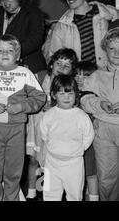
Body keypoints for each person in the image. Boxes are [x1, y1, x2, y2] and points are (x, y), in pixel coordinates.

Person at [0, 34, 47, 201]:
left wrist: (21, 107)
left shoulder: (26, 74)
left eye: (10, 50)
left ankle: (12, 198)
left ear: (18, 55)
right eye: (0, 50)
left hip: (16, 130)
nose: (4, 53)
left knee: (13, 171)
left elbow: (40, 98)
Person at [25, 48, 78, 201]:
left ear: (71, 71)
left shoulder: (68, 84)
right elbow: (27, 94)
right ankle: (31, 192)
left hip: (55, 128)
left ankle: (45, 192)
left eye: (67, 66)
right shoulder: (40, 76)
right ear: (51, 64)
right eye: (59, 63)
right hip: (37, 123)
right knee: (34, 159)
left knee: (49, 160)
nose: (61, 67)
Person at [42, 0, 119, 69]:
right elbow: (53, 57)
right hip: (78, 78)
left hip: (106, 76)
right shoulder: (62, 25)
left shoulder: (110, 15)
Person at [40, 74, 94, 201]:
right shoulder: (48, 115)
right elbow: (44, 134)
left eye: (70, 94)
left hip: (74, 163)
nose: (66, 97)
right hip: (52, 162)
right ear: (53, 95)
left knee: (75, 194)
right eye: (62, 94)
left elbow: (88, 136)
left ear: (76, 95)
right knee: (49, 194)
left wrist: (78, 150)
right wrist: (54, 148)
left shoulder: (81, 116)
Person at [80, 27, 119, 201]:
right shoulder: (96, 75)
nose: (116, 52)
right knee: (106, 177)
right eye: (112, 48)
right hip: (103, 130)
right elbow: (84, 98)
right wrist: (100, 104)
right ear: (105, 50)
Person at [74, 60, 99, 201]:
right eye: (76, 75)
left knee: (91, 173)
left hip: (92, 142)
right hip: (74, 142)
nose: (79, 80)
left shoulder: (96, 96)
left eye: (85, 76)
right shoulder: (71, 96)